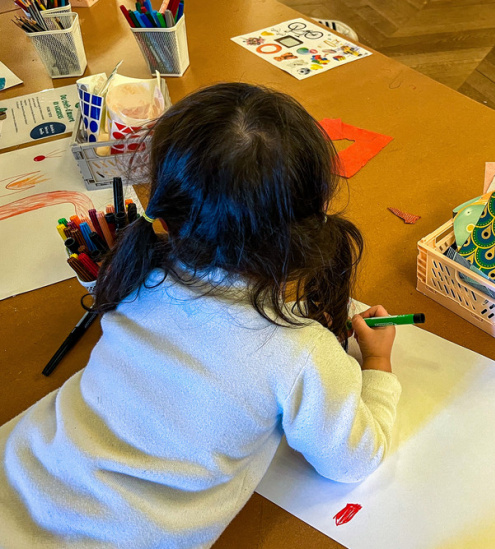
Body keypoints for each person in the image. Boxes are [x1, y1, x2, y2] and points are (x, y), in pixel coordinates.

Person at [0, 83, 401, 547]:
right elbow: (351, 462)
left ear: (165, 215)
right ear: (317, 218)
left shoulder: (138, 274)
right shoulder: (301, 352)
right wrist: (377, 364)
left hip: (22, 475)